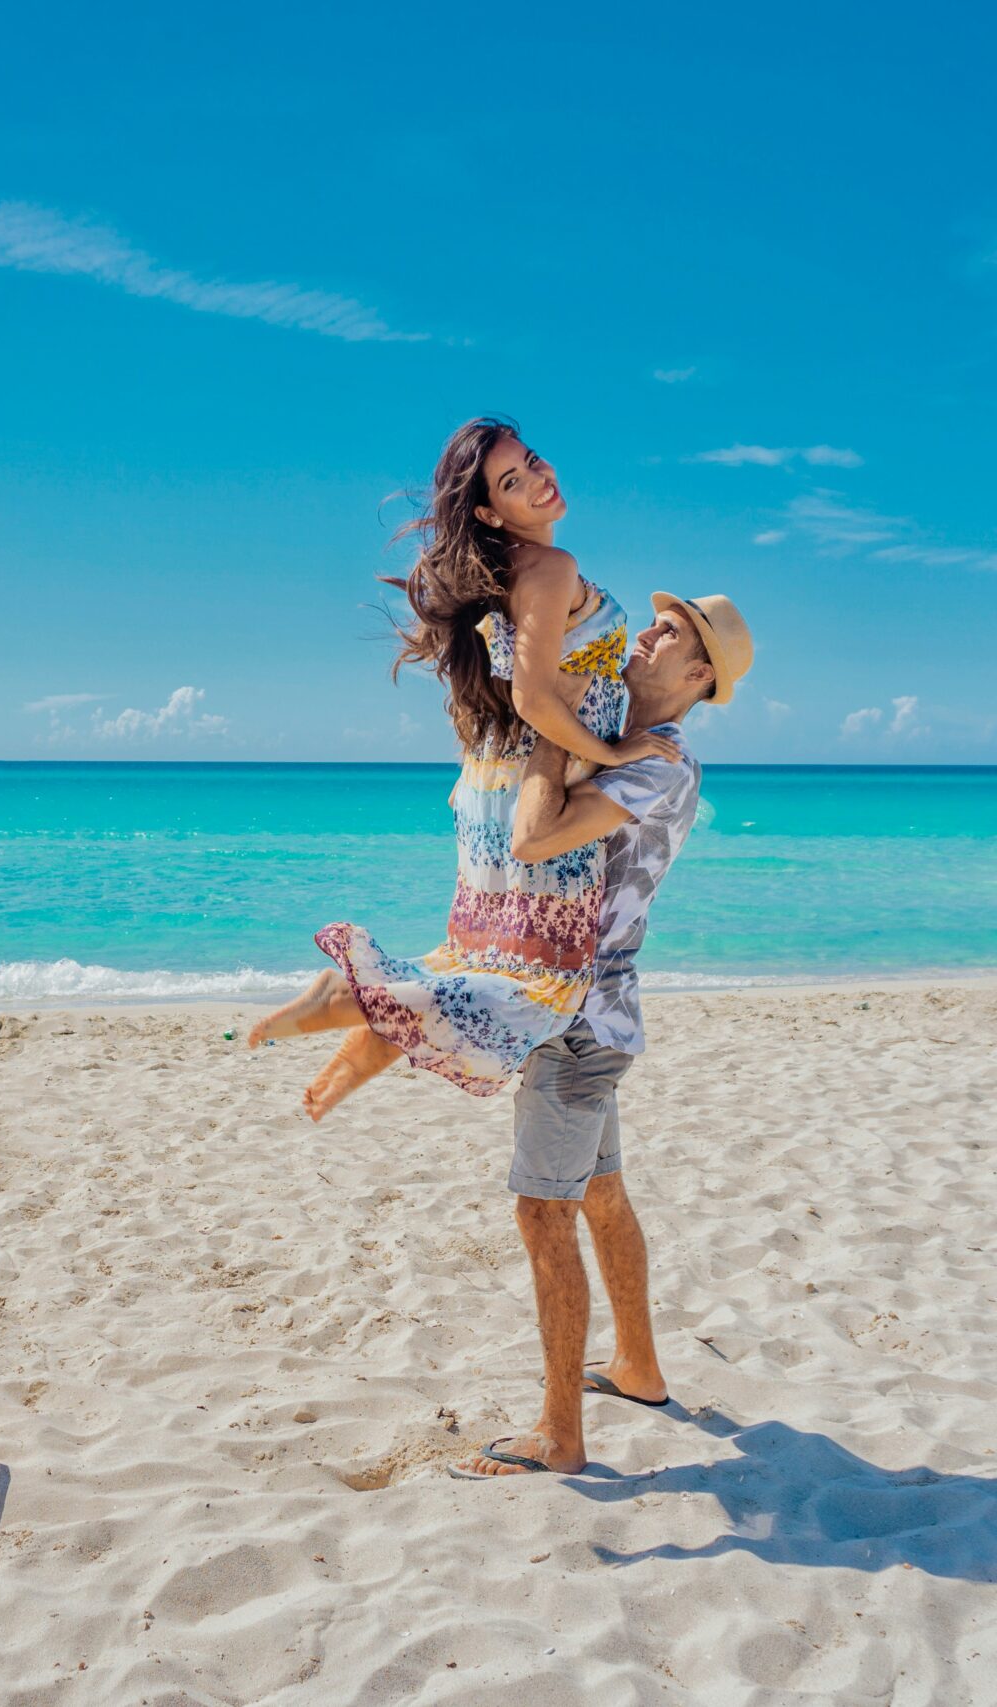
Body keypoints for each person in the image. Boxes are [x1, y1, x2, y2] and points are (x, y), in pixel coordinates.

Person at [247, 418, 678, 1119]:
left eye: (531, 461)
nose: (539, 478)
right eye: (512, 481)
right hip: (536, 782)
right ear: (488, 513)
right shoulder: (551, 567)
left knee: (475, 961)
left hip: (493, 784)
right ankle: (344, 996)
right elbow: (533, 696)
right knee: (540, 982)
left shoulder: (508, 573)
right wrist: (613, 752)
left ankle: (350, 1054)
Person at [448, 590, 754, 1479]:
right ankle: (639, 1367)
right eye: (655, 620)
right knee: (601, 1195)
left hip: (576, 1022)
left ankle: (560, 1435)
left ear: (699, 676)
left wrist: (552, 716)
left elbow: (533, 835)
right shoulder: (628, 742)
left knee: (543, 1209)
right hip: (593, 1015)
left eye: (671, 632)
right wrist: (583, 727)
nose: (647, 633)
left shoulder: (661, 768)